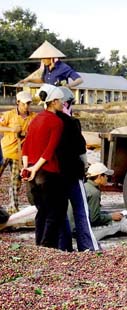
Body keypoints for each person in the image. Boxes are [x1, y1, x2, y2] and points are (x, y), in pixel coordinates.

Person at [21, 84, 67, 249]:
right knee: (54, 212)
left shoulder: (35, 120)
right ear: (54, 102)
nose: (62, 103)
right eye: (60, 100)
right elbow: (50, 150)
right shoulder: (56, 121)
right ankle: (47, 247)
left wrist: (28, 167)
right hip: (47, 173)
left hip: (32, 173)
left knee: (41, 211)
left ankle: (38, 246)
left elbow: (25, 146)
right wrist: (36, 167)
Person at [56, 87, 100, 251]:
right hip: (73, 173)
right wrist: (85, 167)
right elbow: (81, 150)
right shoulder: (72, 123)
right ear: (66, 103)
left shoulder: (46, 120)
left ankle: (64, 247)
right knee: (81, 211)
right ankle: (87, 246)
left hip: (55, 175)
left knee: (60, 213)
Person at [0, 91, 37, 214]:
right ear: (17, 102)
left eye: (28, 103)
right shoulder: (9, 114)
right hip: (5, 151)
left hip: (19, 155)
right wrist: (11, 129)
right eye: (24, 104)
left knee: (15, 182)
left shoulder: (33, 117)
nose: (26, 106)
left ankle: (13, 210)